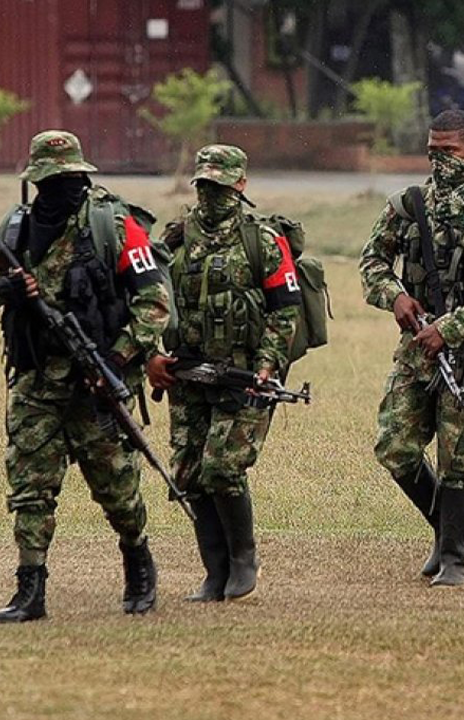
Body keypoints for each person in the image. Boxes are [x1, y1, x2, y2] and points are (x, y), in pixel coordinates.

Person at [0, 131, 171, 621]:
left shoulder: (113, 225)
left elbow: (155, 303)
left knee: (116, 485)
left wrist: (116, 360)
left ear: (81, 177)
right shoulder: (16, 230)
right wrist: (10, 291)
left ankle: (138, 561)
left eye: (66, 180)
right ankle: (30, 589)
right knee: (30, 485)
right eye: (48, 181)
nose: (57, 189)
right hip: (35, 379)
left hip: (97, 380)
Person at [360, 109, 464, 588]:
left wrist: (450, 330)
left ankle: (455, 558)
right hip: (417, 347)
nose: (439, 161)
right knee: (394, 444)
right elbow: (371, 261)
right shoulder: (408, 205)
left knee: (460, 453)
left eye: (449, 152)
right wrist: (395, 297)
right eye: (433, 152)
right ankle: (443, 527)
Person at [147, 145, 302, 602]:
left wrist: (266, 366)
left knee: (223, 467)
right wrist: (152, 357)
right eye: (205, 185)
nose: (212, 194)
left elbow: (284, 312)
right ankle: (213, 571)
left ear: (241, 185)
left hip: (243, 375)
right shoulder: (176, 237)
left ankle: (242, 561)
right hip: (188, 374)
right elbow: (147, 299)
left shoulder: (263, 241)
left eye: (221, 185)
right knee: (189, 471)